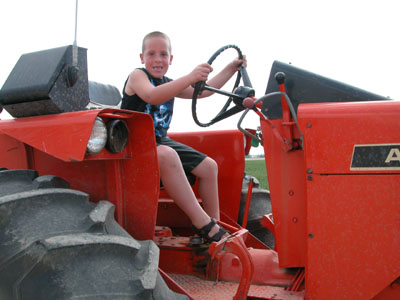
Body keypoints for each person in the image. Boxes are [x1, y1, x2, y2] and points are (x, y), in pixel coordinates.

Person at [121, 31, 246, 242]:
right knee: (167, 155)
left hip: (158, 140)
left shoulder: (169, 82)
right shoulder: (137, 76)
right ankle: (204, 224)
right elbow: (151, 96)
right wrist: (189, 77)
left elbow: (205, 92)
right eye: (151, 53)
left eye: (163, 54)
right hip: (132, 144)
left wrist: (230, 68)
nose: (158, 59)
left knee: (209, 167)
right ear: (142, 58)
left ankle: (214, 225)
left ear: (171, 59)